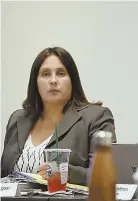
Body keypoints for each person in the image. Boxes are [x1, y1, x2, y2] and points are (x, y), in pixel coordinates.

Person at [1, 47, 116, 185]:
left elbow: (107, 174)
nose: (53, 80)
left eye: (61, 73)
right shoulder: (18, 119)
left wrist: (69, 173)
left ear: (72, 80)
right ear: (35, 82)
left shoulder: (96, 117)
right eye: (45, 74)